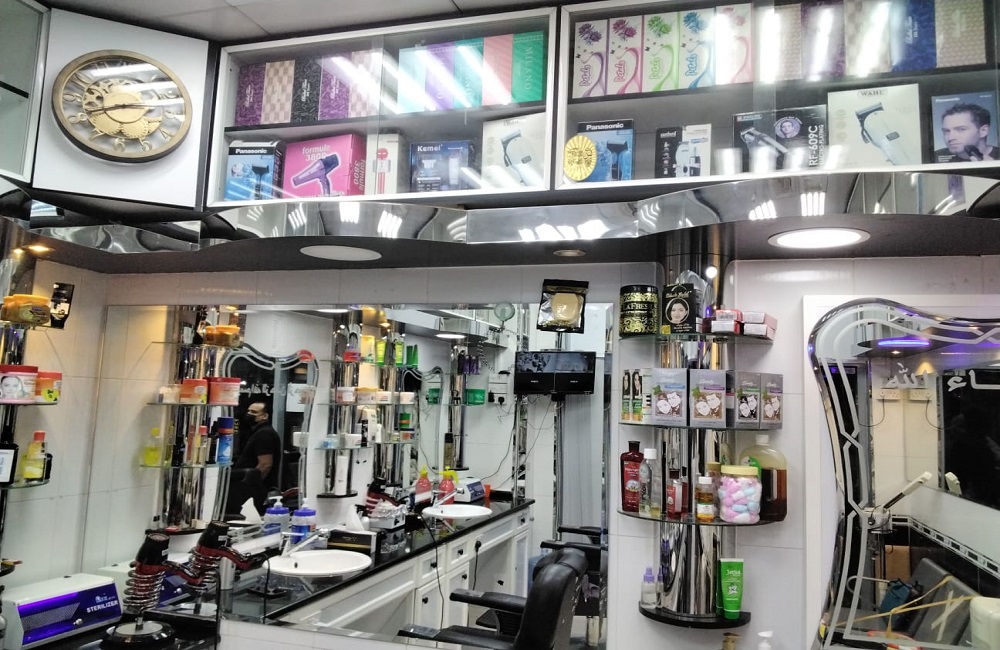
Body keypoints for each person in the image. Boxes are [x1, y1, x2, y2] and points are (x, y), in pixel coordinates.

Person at [228, 401, 282, 515]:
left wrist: (249, 486)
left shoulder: (265, 434)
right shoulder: (257, 432)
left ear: (265, 416)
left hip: (256, 491)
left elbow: (265, 464)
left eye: (254, 412)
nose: (249, 414)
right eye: (248, 411)